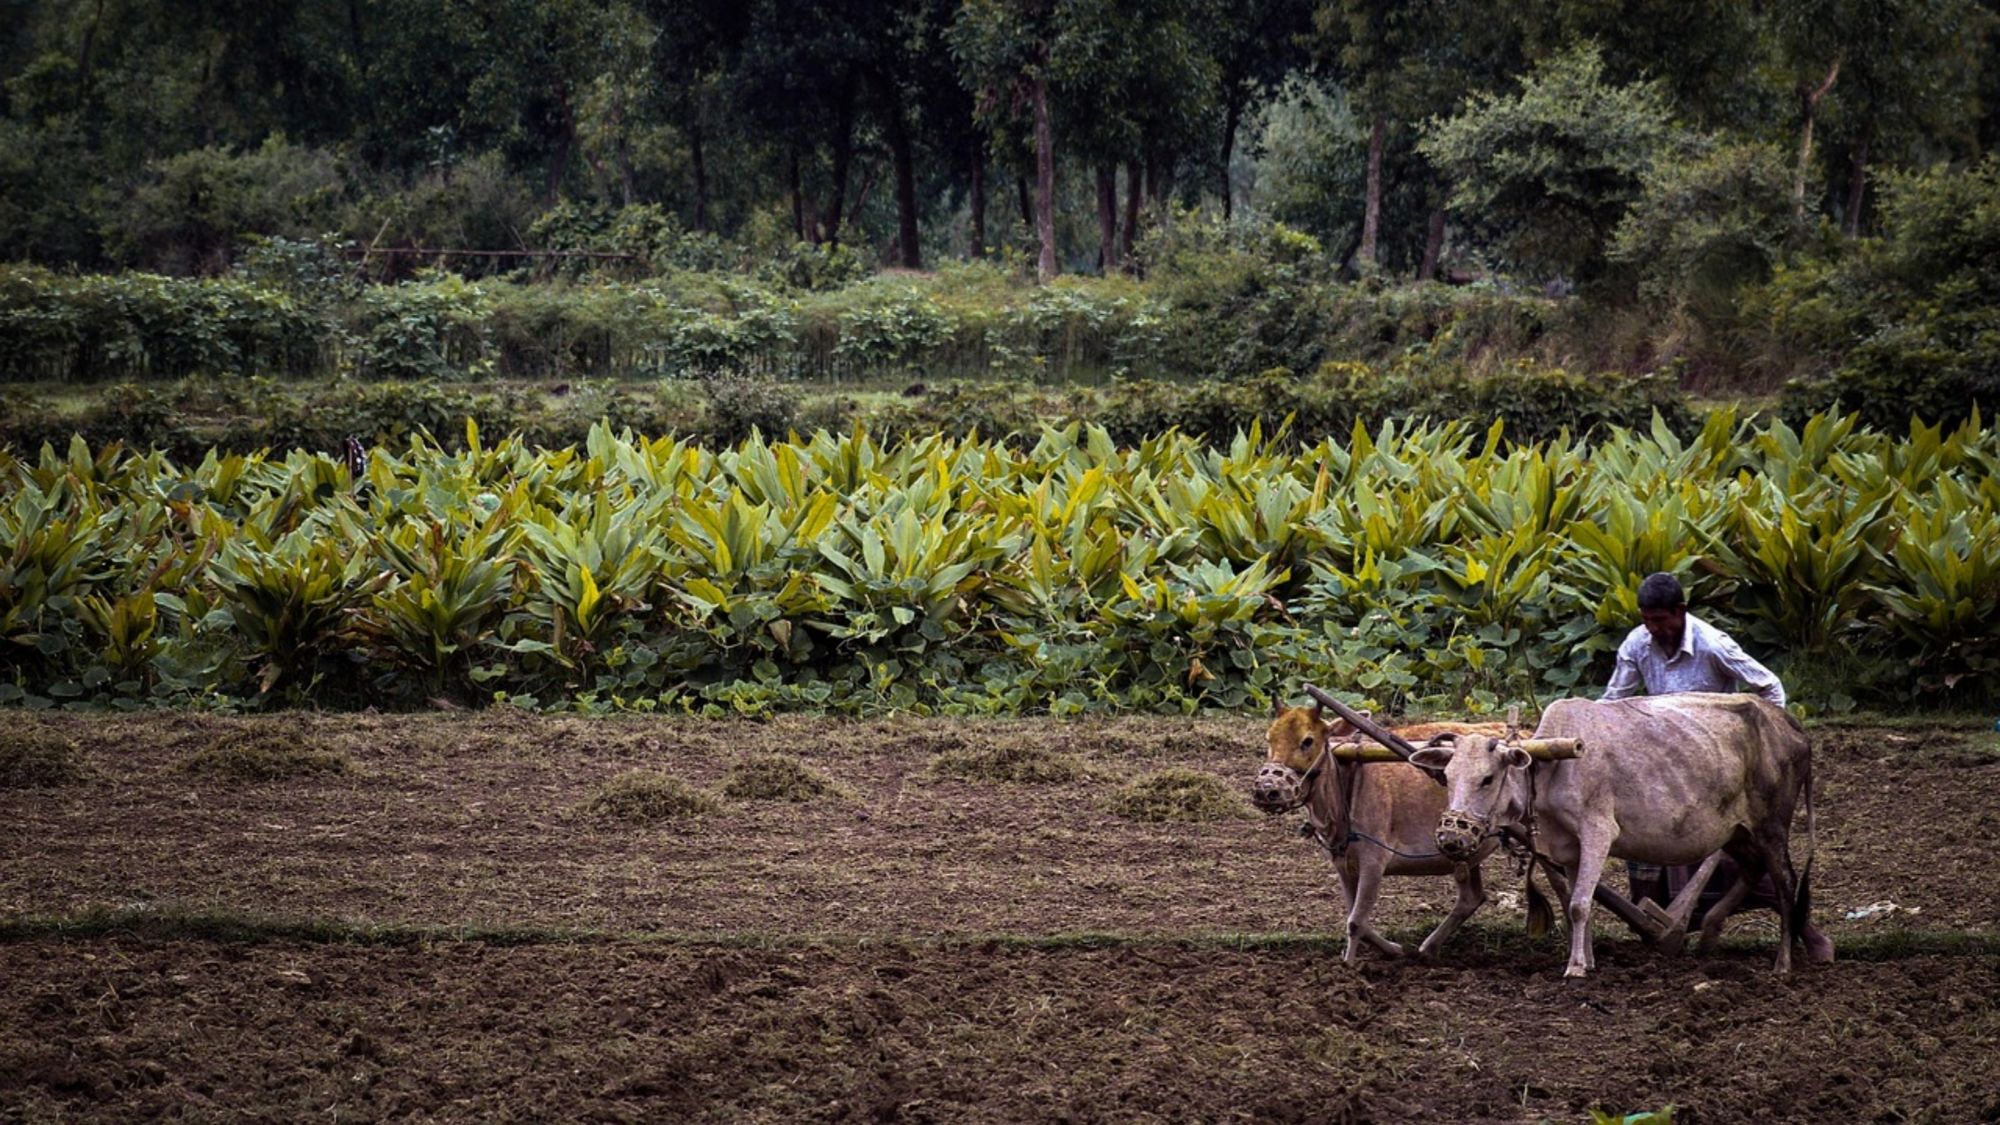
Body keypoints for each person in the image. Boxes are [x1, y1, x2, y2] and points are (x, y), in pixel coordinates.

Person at [1604, 572, 1786, 916]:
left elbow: (1770, 687)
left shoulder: (1713, 644)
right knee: (1644, 826)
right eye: (1646, 621)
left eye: (1659, 620)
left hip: (1714, 756)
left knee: (1734, 841)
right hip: (1663, 754)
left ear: (1680, 611)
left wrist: (1767, 745)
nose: (1653, 628)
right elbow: (1614, 700)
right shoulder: (1637, 644)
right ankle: (1656, 913)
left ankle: (1784, 916)